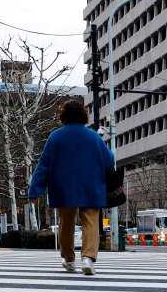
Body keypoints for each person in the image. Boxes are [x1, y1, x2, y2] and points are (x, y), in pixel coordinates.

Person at [29, 100, 116, 275]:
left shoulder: (55, 137)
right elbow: (109, 160)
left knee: (66, 223)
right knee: (90, 221)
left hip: (64, 186)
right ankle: (88, 258)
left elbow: (44, 166)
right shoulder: (93, 137)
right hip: (91, 185)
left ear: (64, 116)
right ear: (83, 115)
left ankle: (69, 259)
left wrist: (35, 190)